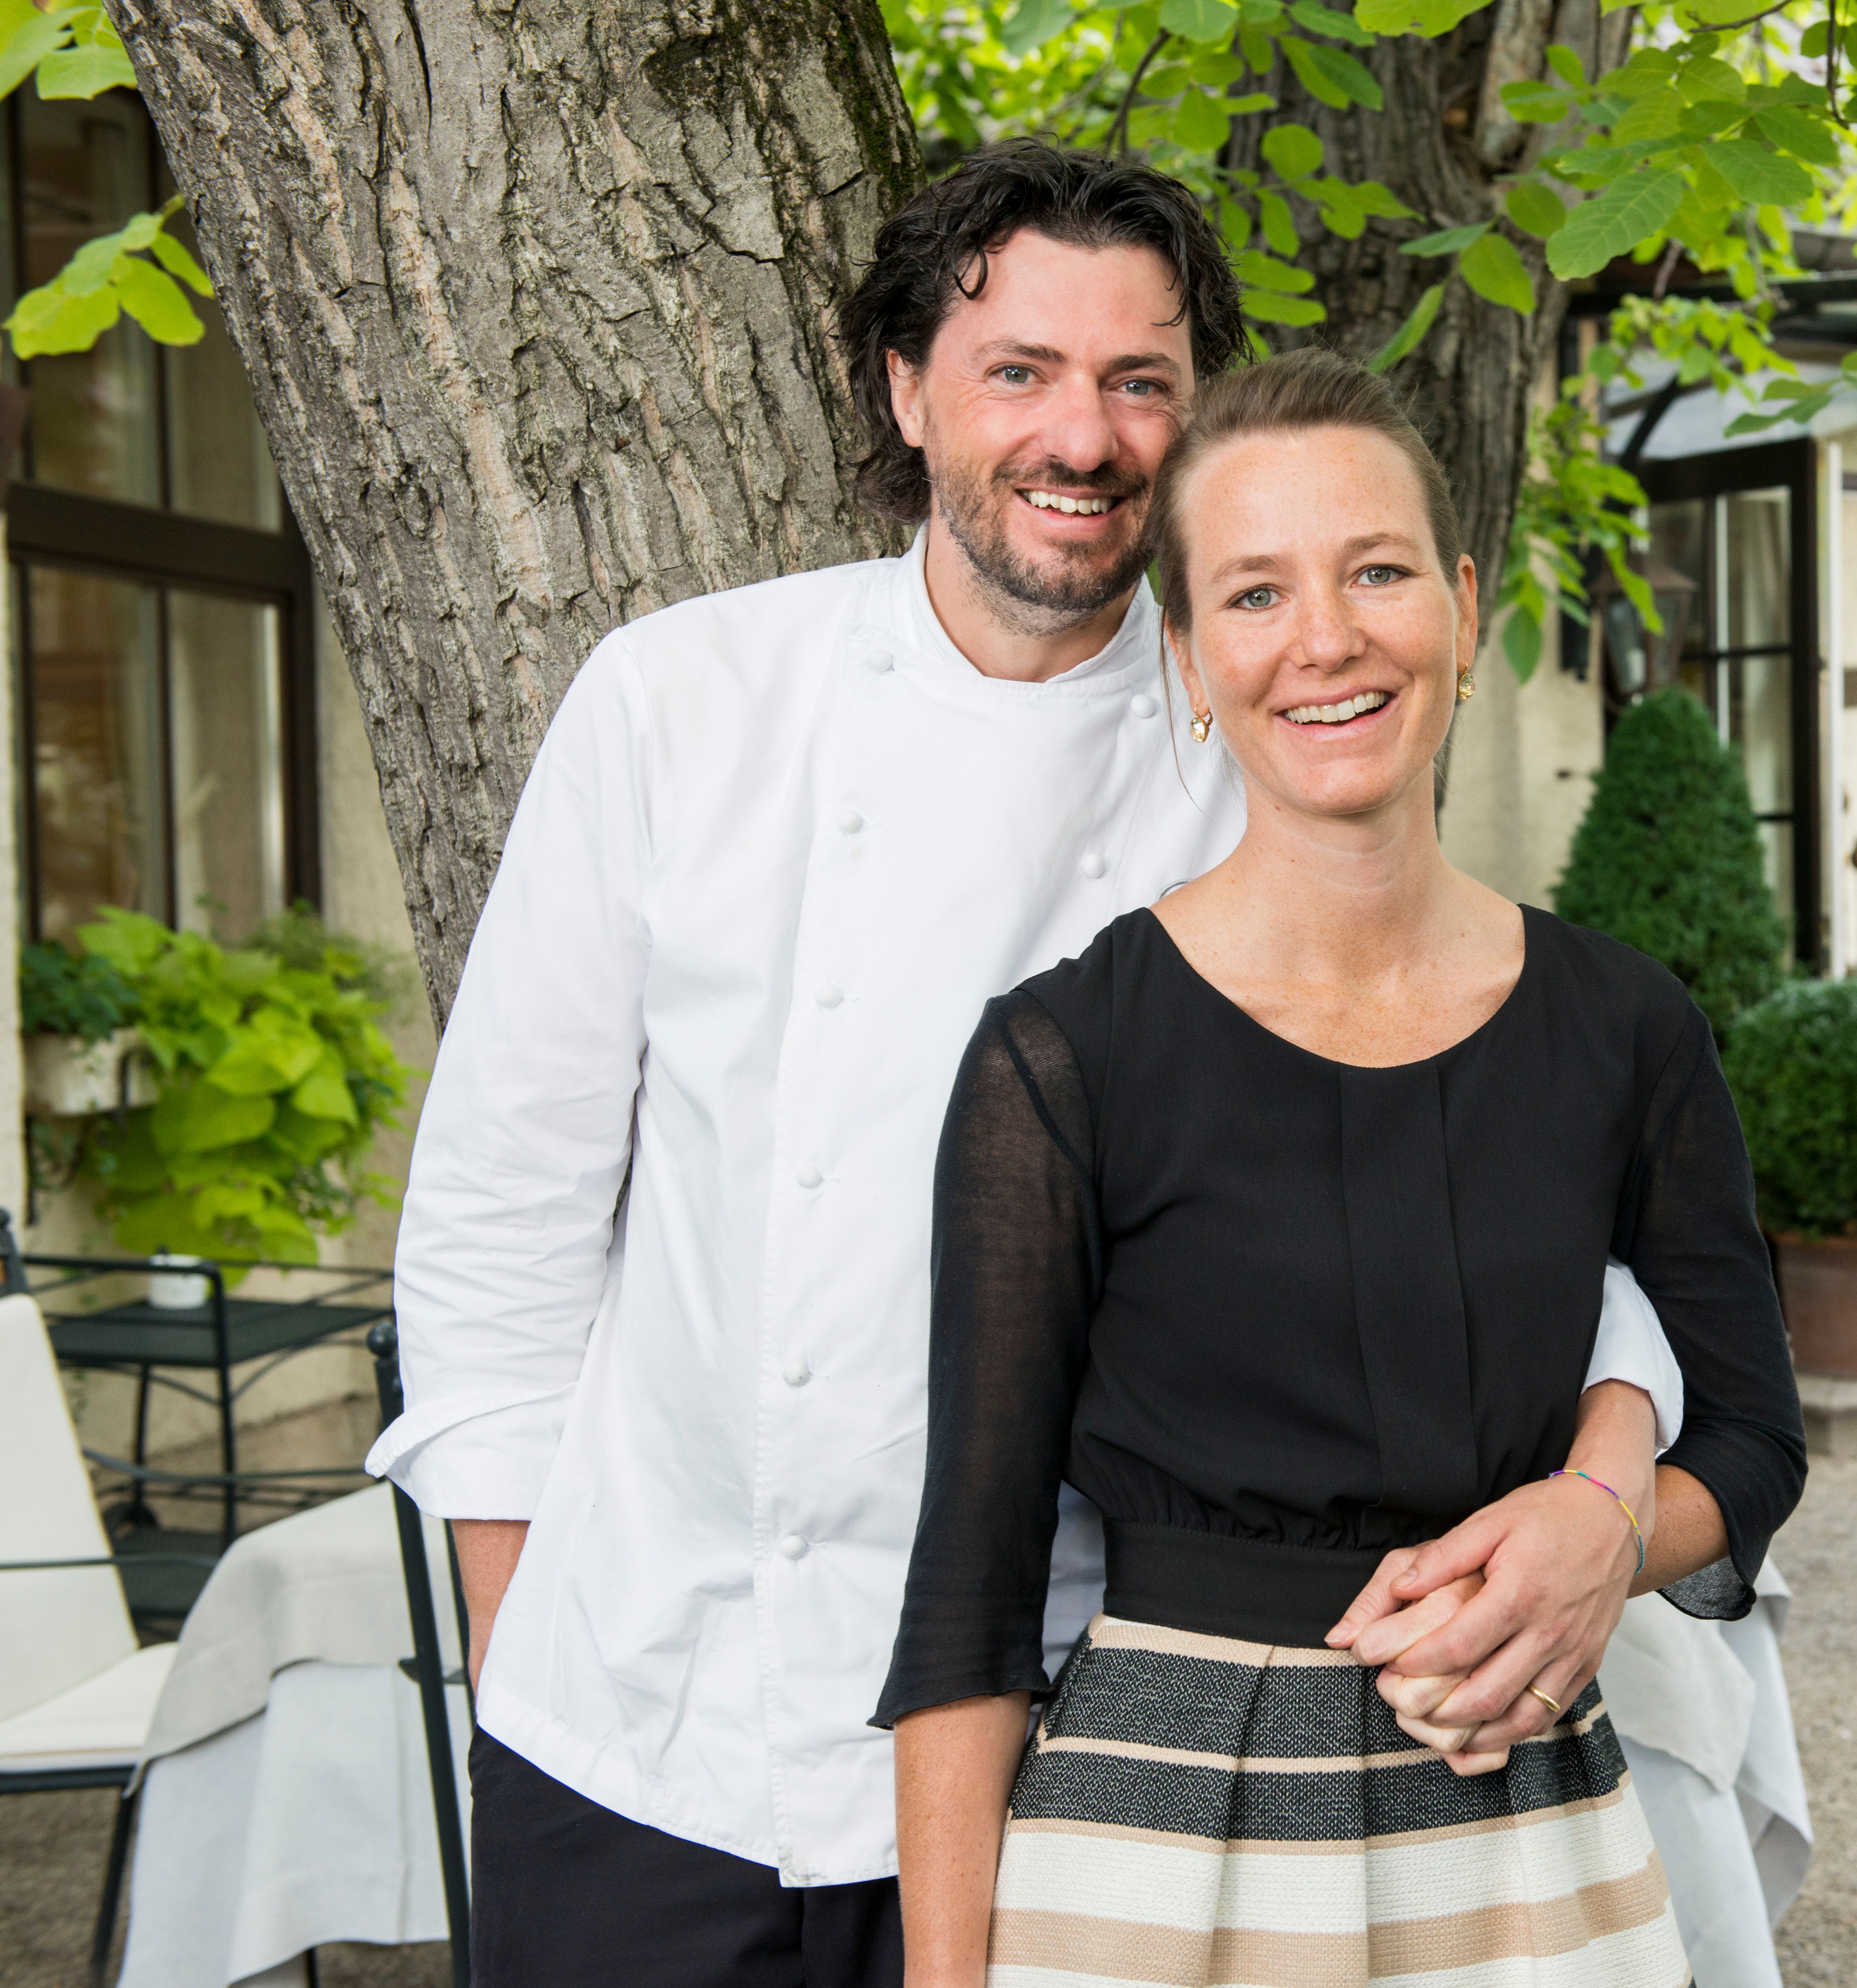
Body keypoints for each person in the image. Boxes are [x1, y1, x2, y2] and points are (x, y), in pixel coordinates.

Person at [365, 142, 1685, 1988]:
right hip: (652, 1729)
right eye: (1020, 371)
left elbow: (1497, 1178)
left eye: (1141, 382)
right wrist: (527, 1658)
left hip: (1083, 1744)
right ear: (906, 391)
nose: (1084, 437)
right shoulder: (682, 702)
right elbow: (499, 1223)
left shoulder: (1267, 737)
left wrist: (1609, 1482)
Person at [880, 348, 1808, 1984]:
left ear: (1461, 604)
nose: (1325, 639)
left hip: (1522, 1823)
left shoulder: (1627, 1028)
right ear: (1187, 656)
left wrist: (1605, 1524)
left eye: (1376, 571)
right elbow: (969, 1592)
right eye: (1254, 593)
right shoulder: (1063, 1057)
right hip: (1160, 1848)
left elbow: (1753, 1440)